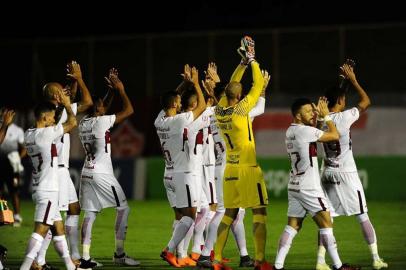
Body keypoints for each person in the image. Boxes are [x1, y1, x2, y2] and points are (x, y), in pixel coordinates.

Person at [198, 63, 270, 268]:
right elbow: (257, 95)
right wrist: (253, 62)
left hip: (225, 166)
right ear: (238, 97)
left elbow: (230, 88)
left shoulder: (217, 111)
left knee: (232, 213)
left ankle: (236, 256)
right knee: (255, 212)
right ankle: (207, 254)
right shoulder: (241, 111)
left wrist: (240, 65)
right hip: (245, 168)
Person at [273, 97, 359, 270]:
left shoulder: (291, 131)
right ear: (298, 115)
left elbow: (313, 135)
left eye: (312, 110)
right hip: (309, 187)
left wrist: (318, 119)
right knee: (327, 223)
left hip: (294, 185)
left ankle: (278, 266)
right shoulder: (305, 131)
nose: (311, 113)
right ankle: (338, 266)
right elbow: (335, 135)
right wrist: (326, 117)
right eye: (307, 111)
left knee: (293, 225)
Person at [316, 62, 387, 270]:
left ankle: (320, 261)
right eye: (344, 99)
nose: (346, 102)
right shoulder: (346, 117)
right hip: (347, 172)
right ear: (340, 101)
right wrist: (353, 80)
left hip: (327, 172)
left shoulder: (320, 119)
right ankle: (376, 259)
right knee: (362, 214)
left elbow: (333, 102)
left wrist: (342, 84)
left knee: (326, 220)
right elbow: (366, 101)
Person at [34, 60, 93, 269]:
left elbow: (76, 104)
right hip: (56, 171)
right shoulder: (55, 115)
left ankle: (74, 256)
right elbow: (87, 102)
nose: (64, 92)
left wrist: (74, 85)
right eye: (61, 91)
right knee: (52, 217)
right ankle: (38, 259)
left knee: (73, 209)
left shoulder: (53, 113)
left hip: (61, 170)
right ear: (56, 97)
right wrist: (79, 80)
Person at [78, 68, 138, 266]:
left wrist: (110, 92)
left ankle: (85, 258)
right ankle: (119, 255)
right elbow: (129, 111)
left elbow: (100, 109)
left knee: (90, 214)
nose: (106, 106)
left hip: (86, 172)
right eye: (103, 105)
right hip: (102, 174)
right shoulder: (102, 121)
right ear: (99, 109)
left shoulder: (84, 122)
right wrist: (121, 90)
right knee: (123, 209)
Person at [20, 94, 84, 270]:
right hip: (48, 189)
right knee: (40, 230)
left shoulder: (29, 134)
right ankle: (25, 267)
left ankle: (70, 266)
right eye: (52, 116)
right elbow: (72, 123)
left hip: (41, 186)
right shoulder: (46, 134)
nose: (54, 119)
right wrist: (67, 105)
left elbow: (57, 129)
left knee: (59, 229)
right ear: (44, 117)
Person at [155, 66, 206, 267]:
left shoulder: (159, 120)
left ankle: (179, 253)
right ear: (177, 103)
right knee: (191, 216)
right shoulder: (179, 120)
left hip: (168, 175)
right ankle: (169, 250)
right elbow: (200, 105)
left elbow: (171, 99)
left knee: (179, 216)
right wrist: (194, 83)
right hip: (183, 174)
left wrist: (184, 84)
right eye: (178, 100)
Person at [0, 109, 23, 226]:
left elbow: (23, 147)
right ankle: (6, 216)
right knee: (1, 193)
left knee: (14, 190)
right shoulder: (2, 126)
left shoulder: (17, 130)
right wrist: (4, 124)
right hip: (1, 163)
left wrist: (18, 158)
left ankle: (17, 215)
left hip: (11, 165)